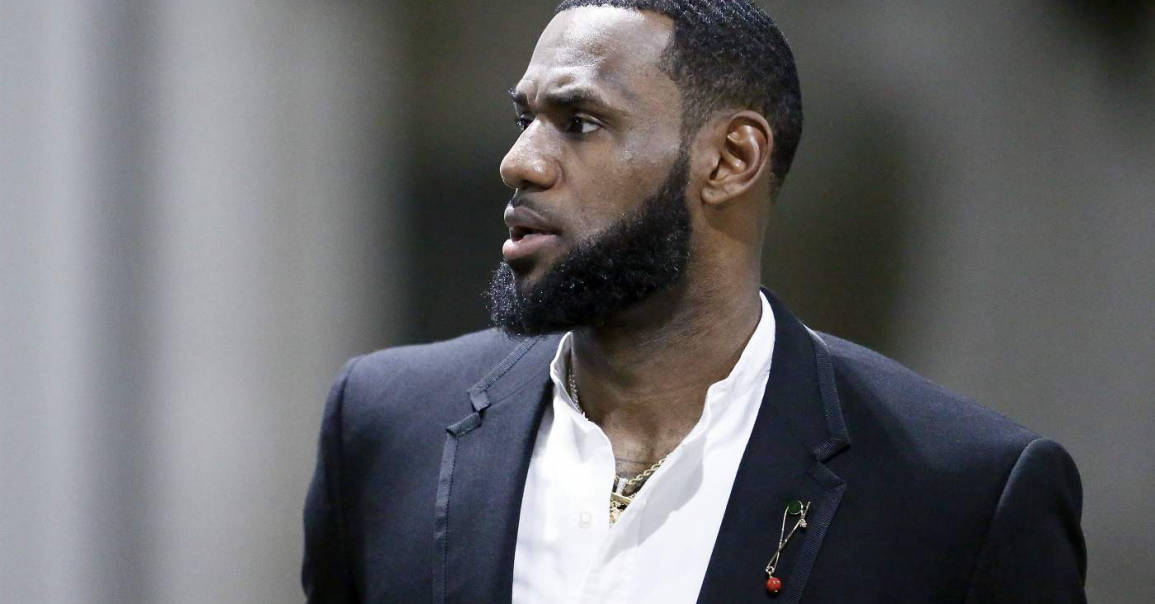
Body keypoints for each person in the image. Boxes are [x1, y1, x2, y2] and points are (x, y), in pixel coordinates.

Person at [302, 1, 1087, 602]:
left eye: (579, 122)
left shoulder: (962, 492)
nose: (519, 162)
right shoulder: (383, 424)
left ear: (730, 159)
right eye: (524, 117)